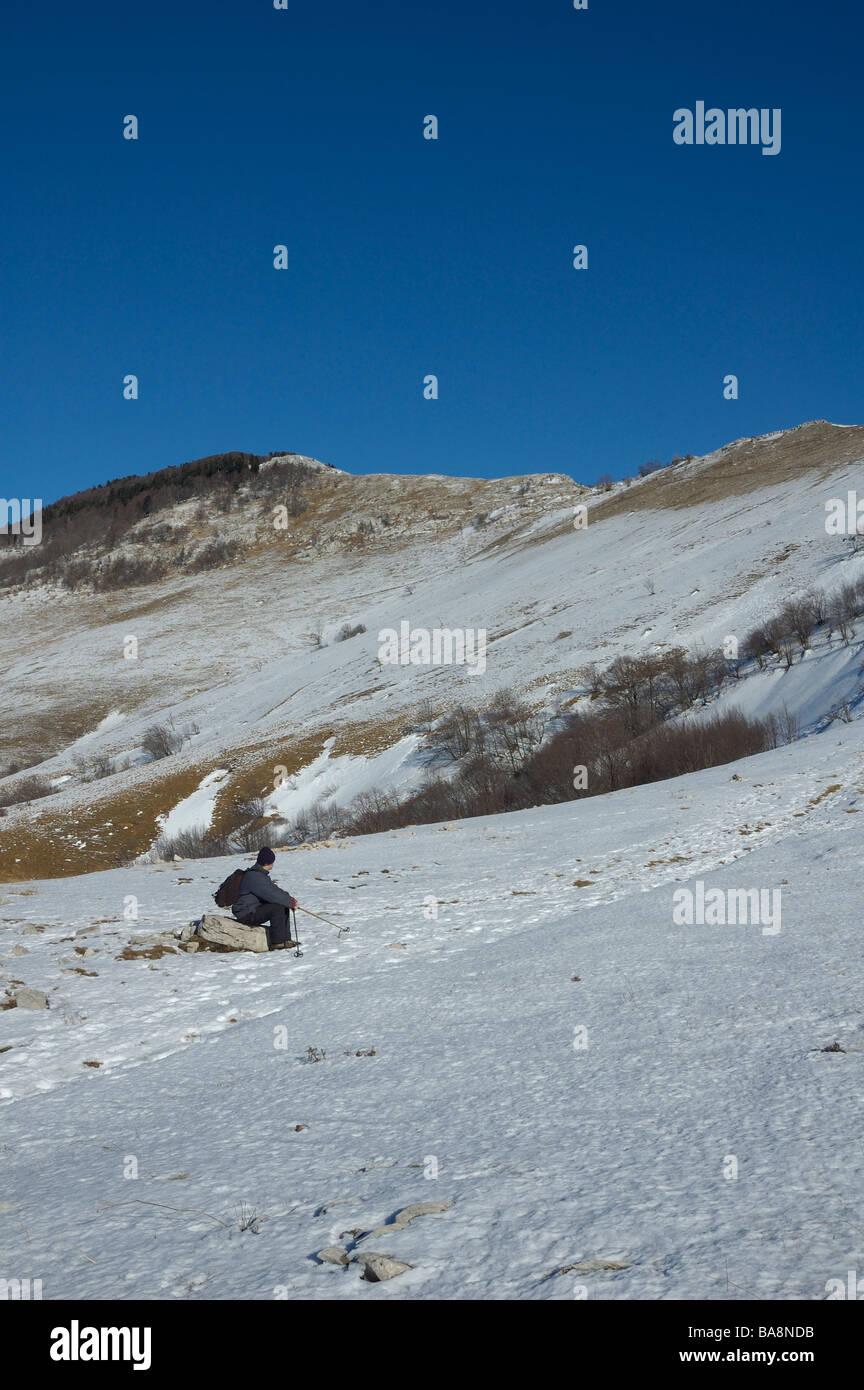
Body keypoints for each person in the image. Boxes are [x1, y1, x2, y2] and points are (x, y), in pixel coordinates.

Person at [232, 847, 298, 950]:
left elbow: (274, 890)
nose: (273, 863)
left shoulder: (259, 874)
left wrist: (289, 900)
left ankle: (286, 940)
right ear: (267, 863)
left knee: (282, 904)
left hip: (253, 909)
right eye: (272, 861)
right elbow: (272, 894)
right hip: (246, 913)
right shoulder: (255, 877)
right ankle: (278, 942)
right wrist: (290, 901)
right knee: (277, 907)